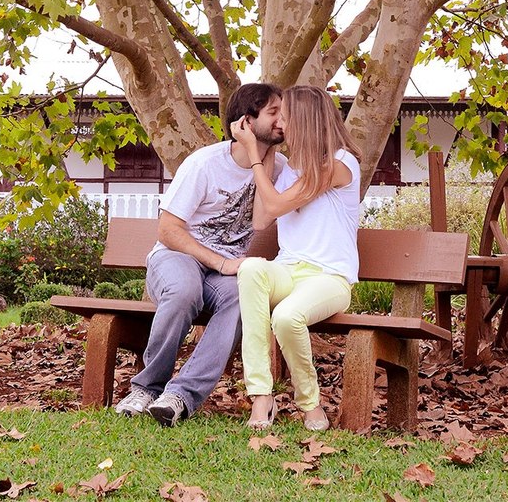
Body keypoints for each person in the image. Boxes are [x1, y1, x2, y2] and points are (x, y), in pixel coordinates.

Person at [116, 82, 285, 427]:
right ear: (246, 122)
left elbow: (262, 219)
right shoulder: (205, 164)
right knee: (184, 291)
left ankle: (181, 396)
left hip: (225, 274)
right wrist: (220, 261)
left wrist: (263, 157)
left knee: (243, 297)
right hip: (178, 257)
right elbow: (168, 231)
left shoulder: (278, 167)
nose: (283, 120)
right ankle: (147, 388)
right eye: (274, 112)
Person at [231, 85, 360, 432]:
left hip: (329, 278)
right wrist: (267, 153)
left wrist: (253, 153)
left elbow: (274, 205)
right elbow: (262, 220)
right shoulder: (290, 169)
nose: (280, 124)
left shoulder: (340, 164)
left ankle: (310, 403)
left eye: (285, 118)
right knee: (251, 268)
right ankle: (261, 395)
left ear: (304, 121)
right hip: (288, 270)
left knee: (287, 317)